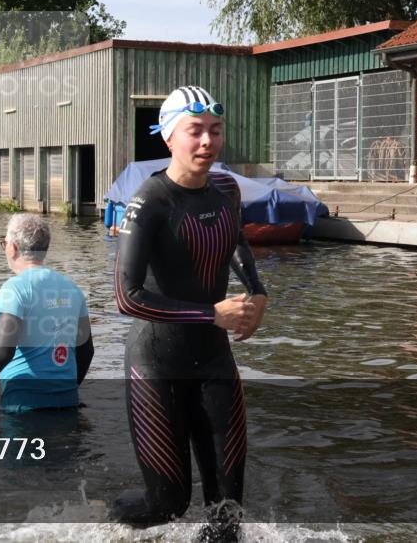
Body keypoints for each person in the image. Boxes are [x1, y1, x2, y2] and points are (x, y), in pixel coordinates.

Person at [112, 86, 268, 539]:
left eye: (215, 132)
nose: (207, 142)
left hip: (215, 362)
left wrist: (257, 292)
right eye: (194, 131)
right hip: (156, 366)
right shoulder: (150, 201)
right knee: (168, 505)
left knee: (227, 512)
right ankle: (106, 524)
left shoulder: (226, 188)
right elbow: (127, 296)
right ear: (168, 138)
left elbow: (234, 239)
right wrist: (210, 314)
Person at [0, 213, 94, 412]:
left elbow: (2, 351)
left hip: (22, 403)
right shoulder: (72, 288)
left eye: (4, 243)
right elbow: (86, 351)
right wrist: (65, 389)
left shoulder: (15, 288)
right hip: (67, 400)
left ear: (13, 248)